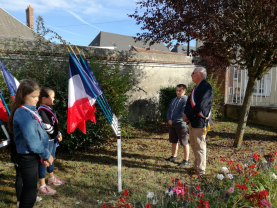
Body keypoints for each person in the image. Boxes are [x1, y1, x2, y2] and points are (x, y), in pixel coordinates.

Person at [8, 80, 53, 208]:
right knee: (30, 194)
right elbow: (33, 141)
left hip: (34, 155)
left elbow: (41, 135)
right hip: (27, 157)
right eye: (33, 97)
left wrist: (44, 154)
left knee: (30, 192)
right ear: (23, 96)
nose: (36, 99)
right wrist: (46, 154)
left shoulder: (31, 110)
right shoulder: (22, 112)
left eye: (37, 96)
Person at [183, 67, 213, 177]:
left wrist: (188, 115)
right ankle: (196, 166)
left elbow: (201, 105)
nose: (191, 75)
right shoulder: (196, 87)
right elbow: (189, 103)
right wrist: (186, 115)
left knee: (200, 146)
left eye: (193, 73)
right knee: (194, 145)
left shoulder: (206, 87)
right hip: (192, 120)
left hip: (200, 120)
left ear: (201, 74)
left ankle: (200, 171)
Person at [37, 87, 65, 195]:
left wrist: (58, 133)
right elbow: (47, 126)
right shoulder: (41, 110)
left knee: (51, 158)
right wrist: (56, 134)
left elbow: (54, 123)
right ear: (44, 98)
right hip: (46, 140)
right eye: (52, 97)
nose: (53, 100)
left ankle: (51, 177)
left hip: (52, 138)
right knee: (44, 161)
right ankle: (42, 185)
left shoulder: (48, 108)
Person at [10, 132, 42, 207]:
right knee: (20, 176)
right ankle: (19, 200)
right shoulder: (17, 122)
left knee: (30, 176)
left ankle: (31, 195)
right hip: (19, 155)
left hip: (28, 155)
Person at [166, 84, 190, 167]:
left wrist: (173, 121)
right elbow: (169, 110)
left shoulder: (186, 100)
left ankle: (186, 160)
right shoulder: (174, 99)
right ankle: (174, 156)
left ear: (184, 91)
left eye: (180, 90)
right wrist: (169, 119)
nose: (178, 92)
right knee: (173, 141)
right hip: (172, 124)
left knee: (184, 142)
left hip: (181, 125)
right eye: (177, 90)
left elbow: (182, 113)